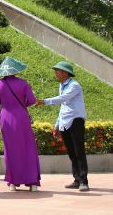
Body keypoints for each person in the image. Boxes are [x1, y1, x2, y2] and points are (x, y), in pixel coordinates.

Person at [37, 60, 89, 192]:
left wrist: (44, 101)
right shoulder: (62, 85)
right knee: (72, 153)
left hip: (76, 121)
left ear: (65, 73)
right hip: (65, 122)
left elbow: (63, 98)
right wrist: (57, 125)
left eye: (58, 71)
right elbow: (63, 107)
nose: (56, 73)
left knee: (79, 152)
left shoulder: (74, 85)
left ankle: (84, 181)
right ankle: (77, 179)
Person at [0, 56, 41, 191]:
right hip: (22, 117)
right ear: (15, 70)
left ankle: (12, 183)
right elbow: (31, 101)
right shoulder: (24, 83)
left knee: (10, 149)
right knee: (28, 147)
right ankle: (32, 183)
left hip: (6, 118)